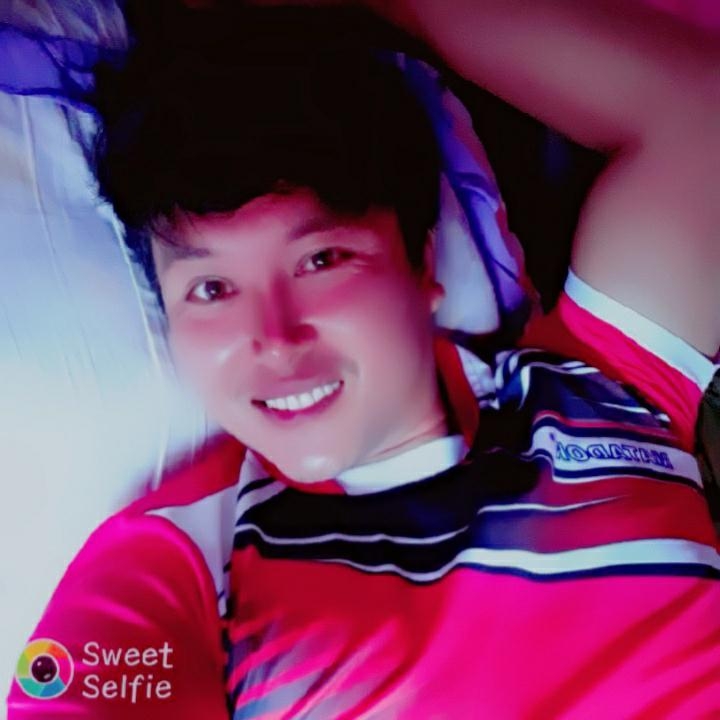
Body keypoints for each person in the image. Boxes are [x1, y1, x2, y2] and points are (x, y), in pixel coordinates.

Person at [7, 1, 719, 717]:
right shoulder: (176, 561)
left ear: (423, 262)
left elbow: (702, 118)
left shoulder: (599, 385)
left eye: (321, 260)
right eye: (212, 289)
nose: (275, 338)